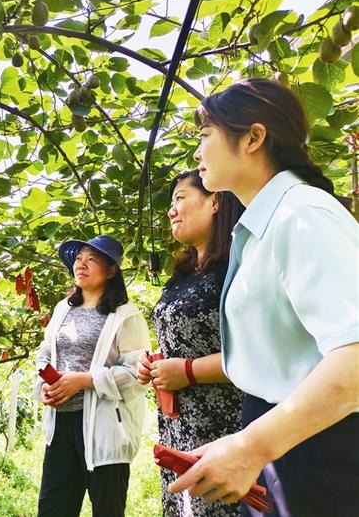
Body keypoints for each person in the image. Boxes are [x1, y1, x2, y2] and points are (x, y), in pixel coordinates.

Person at [168, 79, 359, 516]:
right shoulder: (262, 227)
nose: (197, 153)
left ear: (253, 137)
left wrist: (252, 446)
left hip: (321, 453)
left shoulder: (303, 213)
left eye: (205, 136)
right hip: (288, 445)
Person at [136, 169, 245, 516]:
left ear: (215, 201)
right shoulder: (182, 275)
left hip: (226, 427)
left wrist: (187, 370)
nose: (171, 211)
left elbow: (261, 355)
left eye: (180, 198)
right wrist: (151, 364)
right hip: (178, 428)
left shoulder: (237, 269)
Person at [33, 235, 150, 517]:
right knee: (52, 509)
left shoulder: (126, 316)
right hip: (61, 425)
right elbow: (45, 352)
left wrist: (84, 380)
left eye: (92, 260)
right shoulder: (63, 309)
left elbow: (137, 373)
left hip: (105, 428)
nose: (81, 265)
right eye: (78, 259)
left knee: (107, 509)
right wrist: (44, 387)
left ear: (111, 271)